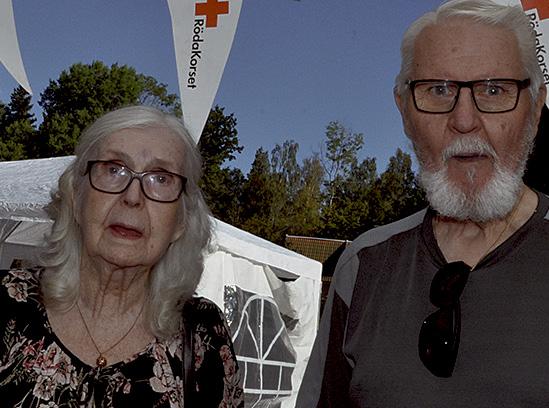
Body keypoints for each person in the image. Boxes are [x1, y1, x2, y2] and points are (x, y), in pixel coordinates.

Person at [296, 0, 549, 406]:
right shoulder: (363, 267)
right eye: (438, 90)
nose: (464, 120)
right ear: (405, 113)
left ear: (535, 109)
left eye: (494, 89)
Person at [0, 106, 244, 407]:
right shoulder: (6, 300)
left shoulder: (203, 334)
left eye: (161, 178)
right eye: (114, 169)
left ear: (181, 220)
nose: (132, 196)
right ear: (76, 197)